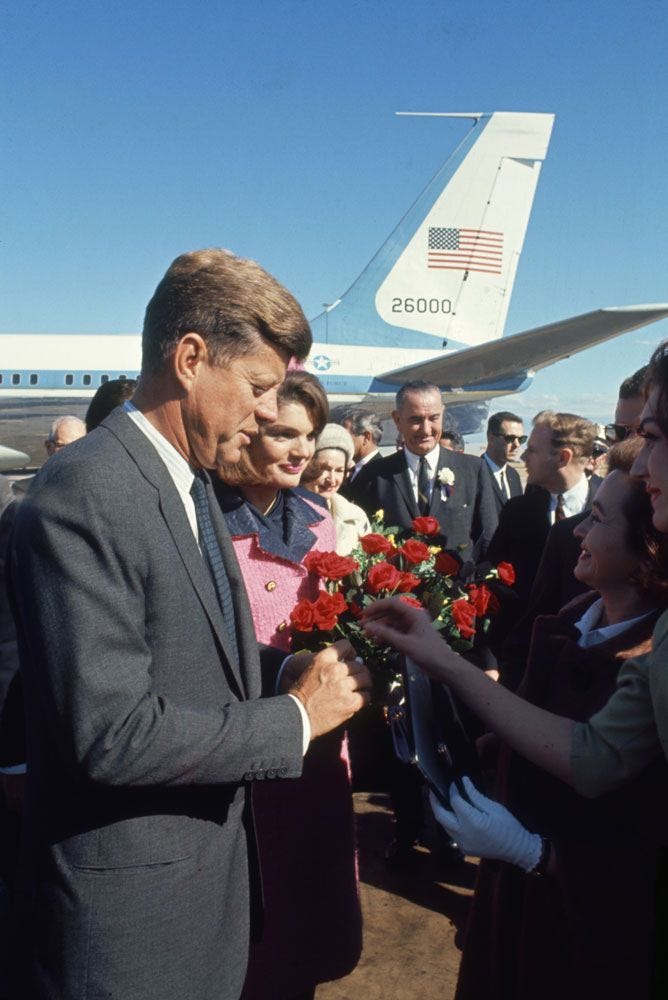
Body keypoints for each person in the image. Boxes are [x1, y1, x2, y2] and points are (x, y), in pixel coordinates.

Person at [8, 248, 371, 1000]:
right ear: (191, 357)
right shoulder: (85, 494)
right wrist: (296, 721)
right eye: (260, 387)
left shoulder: (193, 480)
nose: (273, 412)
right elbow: (111, 734)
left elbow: (194, 654)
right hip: (129, 928)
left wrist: (284, 673)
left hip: (205, 899)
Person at [360, 341, 668, 805]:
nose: (640, 463)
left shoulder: (649, 638)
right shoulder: (563, 623)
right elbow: (597, 752)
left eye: (650, 435)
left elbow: (600, 766)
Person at [446, 439, 668, 999]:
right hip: (516, 918)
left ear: (647, 553)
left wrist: (540, 857)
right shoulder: (570, 623)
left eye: (595, 519)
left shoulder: (644, 671)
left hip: (584, 946)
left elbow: (639, 845)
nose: (576, 533)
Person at [215, 372, 361, 999]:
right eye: (283, 434)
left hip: (319, 734)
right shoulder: (206, 515)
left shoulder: (315, 514)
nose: (302, 451)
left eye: (309, 435)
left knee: (309, 893)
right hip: (242, 731)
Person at [351, 380, 496, 560]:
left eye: (433, 418)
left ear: (442, 414)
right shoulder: (374, 475)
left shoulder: (473, 470)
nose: (426, 430)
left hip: (458, 585)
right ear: (397, 419)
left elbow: (488, 539)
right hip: (397, 586)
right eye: (416, 420)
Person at [487, 411, 600, 637]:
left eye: (532, 450)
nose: (523, 457)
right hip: (527, 652)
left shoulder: (609, 508)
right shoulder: (517, 512)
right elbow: (495, 581)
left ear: (562, 458)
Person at [301, 423, 370, 555]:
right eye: (324, 469)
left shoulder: (355, 517)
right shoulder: (284, 512)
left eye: (339, 470)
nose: (332, 480)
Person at [481, 411, 524, 518]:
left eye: (521, 439)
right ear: (491, 438)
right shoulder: (474, 473)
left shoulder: (513, 475)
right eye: (510, 439)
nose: (517, 445)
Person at [339, 408, 383, 500]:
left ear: (366, 437)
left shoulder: (381, 475)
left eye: (345, 436)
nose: (341, 441)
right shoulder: (351, 471)